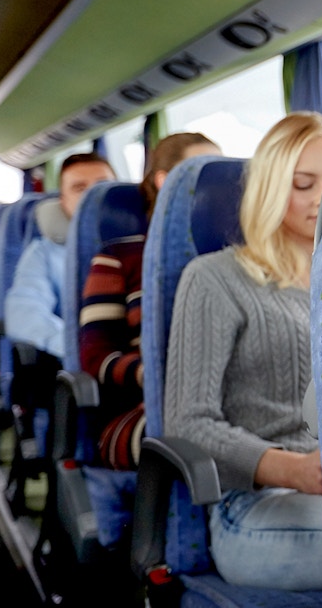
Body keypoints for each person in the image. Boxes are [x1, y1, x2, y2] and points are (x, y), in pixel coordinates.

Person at [164, 112, 322, 591]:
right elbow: (188, 422)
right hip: (253, 506)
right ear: (269, 189)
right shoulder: (215, 279)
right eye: (303, 184)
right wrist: (293, 469)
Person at [78, 132, 220, 471]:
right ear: (164, 181)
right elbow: (95, 356)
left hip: (226, 406)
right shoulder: (120, 256)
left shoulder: (238, 257)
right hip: (140, 410)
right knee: (211, 447)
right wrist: (150, 374)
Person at [5, 152, 117, 362]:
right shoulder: (43, 253)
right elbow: (26, 313)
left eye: (102, 186)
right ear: (63, 201)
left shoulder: (143, 244)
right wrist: (80, 348)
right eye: (80, 188)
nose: (92, 197)